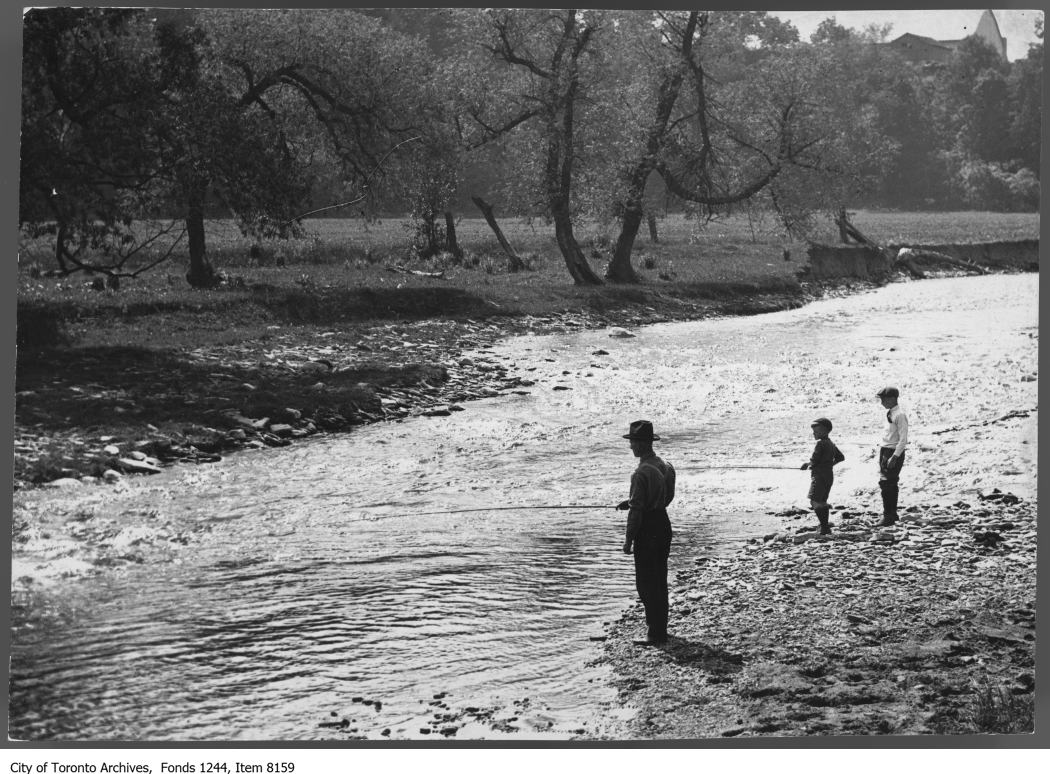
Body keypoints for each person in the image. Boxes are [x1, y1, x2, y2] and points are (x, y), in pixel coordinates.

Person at [616, 420, 676, 647]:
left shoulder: (639, 473)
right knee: (660, 578)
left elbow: (637, 514)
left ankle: (654, 634)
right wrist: (631, 502)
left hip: (647, 529)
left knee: (646, 582)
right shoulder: (666, 465)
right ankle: (661, 629)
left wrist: (628, 540)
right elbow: (664, 497)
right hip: (663, 523)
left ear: (641, 444)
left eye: (632, 442)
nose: (631, 447)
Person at [800, 417, 845, 535]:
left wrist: (807, 465)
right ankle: (825, 526)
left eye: (817, 432)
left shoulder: (820, 444)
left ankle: (824, 527)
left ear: (825, 431)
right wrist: (829, 465)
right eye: (814, 432)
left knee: (814, 501)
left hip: (819, 477)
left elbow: (814, 461)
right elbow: (841, 457)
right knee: (823, 501)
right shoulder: (831, 443)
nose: (814, 434)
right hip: (828, 475)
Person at [876, 386, 909, 526]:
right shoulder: (891, 412)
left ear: (893, 399)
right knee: (888, 483)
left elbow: (903, 439)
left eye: (884, 399)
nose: (882, 402)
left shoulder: (900, 415)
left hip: (893, 451)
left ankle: (888, 515)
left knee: (887, 483)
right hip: (885, 449)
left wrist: (894, 456)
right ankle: (891, 513)